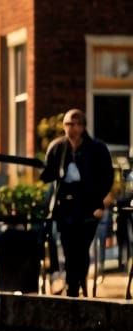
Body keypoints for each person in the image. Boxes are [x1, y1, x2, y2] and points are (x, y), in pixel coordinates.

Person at [41, 108, 114, 298]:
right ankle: (73, 285)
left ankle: (76, 282)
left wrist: (98, 201)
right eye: (66, 124)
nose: (69, 128)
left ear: (82, 126)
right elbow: (46, 174)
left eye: (73, 124)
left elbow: (107, 177)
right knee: (67, 246)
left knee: (82, 247)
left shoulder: (97, 149)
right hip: (65, 206)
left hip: (88, 206)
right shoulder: (58, 147)